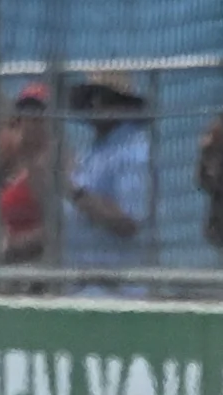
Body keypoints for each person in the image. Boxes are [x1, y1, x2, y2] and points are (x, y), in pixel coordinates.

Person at [65, 73, 155, 272]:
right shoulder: (96, 150)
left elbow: (128, 222)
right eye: (91, 97)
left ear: (124, 104)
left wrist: (73, 190)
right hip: (85, 284)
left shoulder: (133, 151)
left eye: (103, 97)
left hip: (118, 289)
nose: (94, 104)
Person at [0, 82, 54, 263]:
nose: (31, 122)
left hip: (35, 262)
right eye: (26, 114)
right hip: (3, 257)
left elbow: (58, 227)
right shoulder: (10, 157)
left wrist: (12, 245)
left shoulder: (57, 162)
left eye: (38, 116)